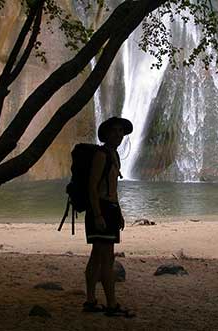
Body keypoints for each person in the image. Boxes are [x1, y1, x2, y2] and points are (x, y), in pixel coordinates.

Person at [83, 116, 134, 317]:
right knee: (106, 259)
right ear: (105, 134)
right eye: (115, 131)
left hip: (110, 209)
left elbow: (114, 188)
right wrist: (97, 215)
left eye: (121, 131)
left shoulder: (114, 155)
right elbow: (92, 187)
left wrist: (119, 212)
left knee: (97, 256)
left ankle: (90, 300)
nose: (119, 135)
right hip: (101, 209)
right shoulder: (101, 155)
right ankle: (112, 304)